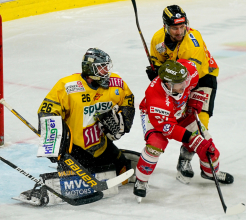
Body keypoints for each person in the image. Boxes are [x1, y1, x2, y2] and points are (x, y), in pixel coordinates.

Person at [16, 48, 136, 206]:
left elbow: (128, 98)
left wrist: (125, 120)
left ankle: (119, 155)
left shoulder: (115, 82)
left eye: (107, 66)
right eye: (102, 67)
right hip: (75, 149)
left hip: (101, 144)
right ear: (90, 69)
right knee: (76, 182)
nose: (106, 71)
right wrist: (53, 146)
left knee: (124, 171)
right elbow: (47, 113)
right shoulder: (68, 86)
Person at [133, 59, 233, 202]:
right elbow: (169, 129)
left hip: (181, 111)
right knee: (156, 145)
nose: (186, 85)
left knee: (208, 147)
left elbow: (195, 84)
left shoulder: (187, 72)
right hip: (155, 117)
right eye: (181, 83)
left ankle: (210, 173)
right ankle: (141, 180)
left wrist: (193, 99)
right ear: (168, 84)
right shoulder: (156, 98)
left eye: (185, 81)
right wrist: (194, 140)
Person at [145, 5, 219, 184]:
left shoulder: (192, 43)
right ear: (165, 26)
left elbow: (187, 75)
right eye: (174, 28)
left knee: (199, 123)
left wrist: (163, 76)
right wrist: (157, 72)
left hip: (202, 79)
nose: (179, 31)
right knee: (178, 119)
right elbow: (160, 63)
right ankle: (183, 155)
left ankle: (185, 159)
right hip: (177, 82)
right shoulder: (158, 40)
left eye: (182, 26)